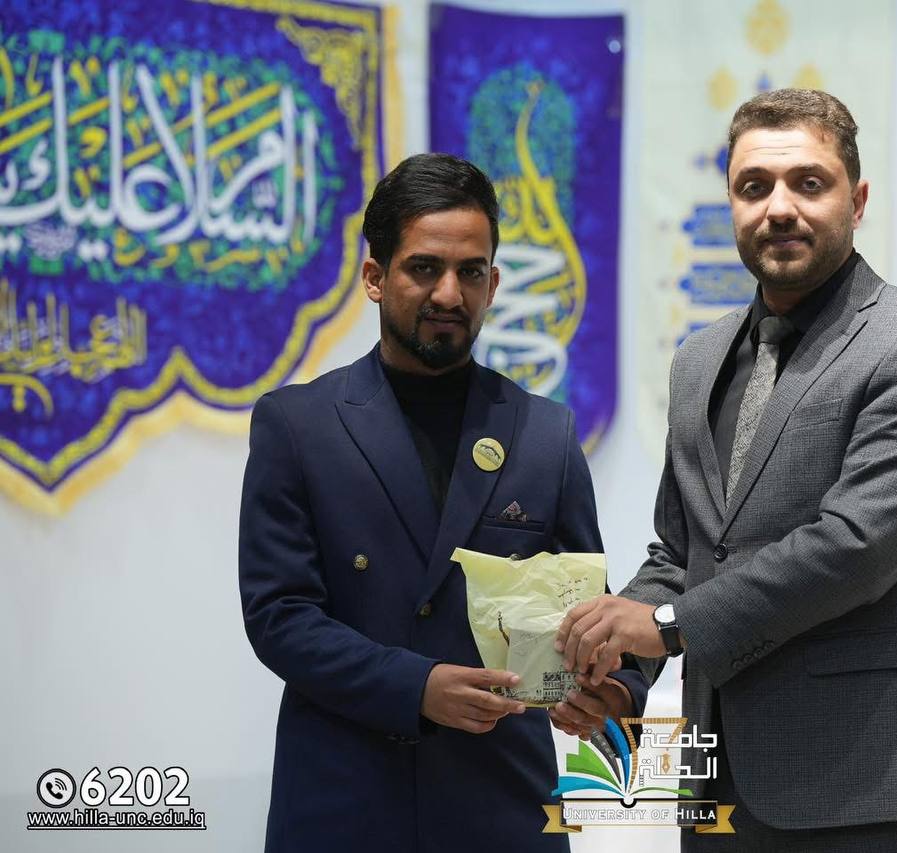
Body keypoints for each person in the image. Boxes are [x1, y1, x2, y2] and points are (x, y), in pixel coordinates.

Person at [556, 89, 897, 851]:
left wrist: (666, 627)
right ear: (731, 203)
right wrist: (621, 675)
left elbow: (856, 546)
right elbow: (683, 553)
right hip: (715, 783)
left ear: (857, 200)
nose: (779, 207)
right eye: (754, 186)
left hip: (871, 789)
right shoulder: (699, 361)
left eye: (808, 183)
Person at [239, 153, 646, 852]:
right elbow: (280, 616)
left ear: (494, 283)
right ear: (375, 277)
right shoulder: (297, 425)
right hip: (344, 803)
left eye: (471, 271)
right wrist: (417, 686)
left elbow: (589, 606)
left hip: (501, 806)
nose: (450, 293)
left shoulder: (545, 434)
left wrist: (616, 688)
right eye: (425, 268)